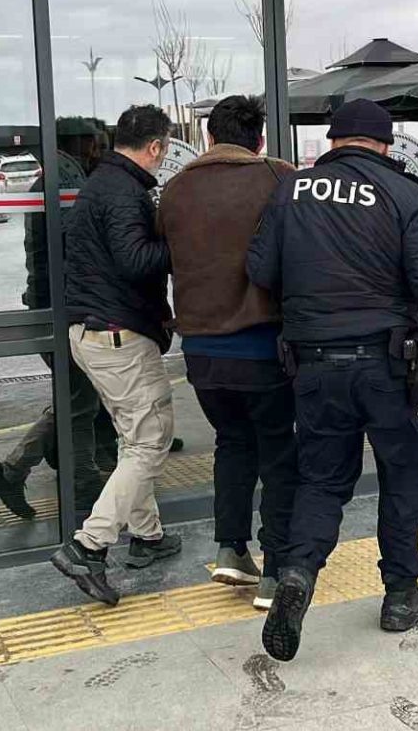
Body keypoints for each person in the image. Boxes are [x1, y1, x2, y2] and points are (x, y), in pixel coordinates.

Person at [248, 99, 418, 662]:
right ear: (384, 145)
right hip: (388, 368)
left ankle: (297, 573)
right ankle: (401, 595)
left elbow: (259, 269)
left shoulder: (291, 191)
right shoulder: (404, 193)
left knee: (321, 481)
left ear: (334, 141)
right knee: (403, 472)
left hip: (313, 366)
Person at [158, 95, 299, 611]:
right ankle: (276, 569)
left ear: (209, 138)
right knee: (279, 453)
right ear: (259, 139)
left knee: (233, 443)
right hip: (262, 348)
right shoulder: (278, 177)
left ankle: (231, 549)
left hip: (201, 353)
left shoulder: (175, 189)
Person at [51, 105, 181, 606]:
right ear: (155, 146)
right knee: (151, 440)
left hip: (94, 331)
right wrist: (182, 241)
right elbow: (136, 260)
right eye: (164, 149)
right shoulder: (125, 192)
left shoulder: (101, 183)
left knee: (134, 438)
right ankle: (89, 546)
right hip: (117, 335)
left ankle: (147, 535)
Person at [0, 118, 118, 521]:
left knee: (76, 397)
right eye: (93, 143)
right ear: (79, 144)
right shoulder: (64, 180)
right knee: (80, 399)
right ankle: (73, 482)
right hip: (63, 307)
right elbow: (80, 244)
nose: (98, 150)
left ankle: (15, 472)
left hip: (53, 302)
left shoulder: (57, 176)